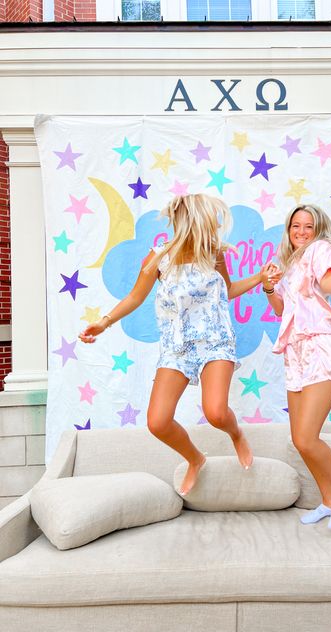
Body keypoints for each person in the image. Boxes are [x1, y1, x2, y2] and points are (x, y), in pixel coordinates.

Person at [79, 193, 272, 496]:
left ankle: (237, 436)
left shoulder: (214, 254)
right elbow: (134, 297)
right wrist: (103, 322)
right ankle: (195, 459)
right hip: (176, 347)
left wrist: (260, 277)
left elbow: (228, 290)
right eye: (207, 222)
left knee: (217, 413)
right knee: (157, 422)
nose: (212, 229)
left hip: (215, 341)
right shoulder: (159, 257)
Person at [262, 204, 331, 530]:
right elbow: (282, 310)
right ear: (288, 231)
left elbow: (328, 279)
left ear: (317, 231)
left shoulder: (320, 249)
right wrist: (269, 287)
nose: (301, 232)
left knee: (306, 438)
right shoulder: (290, 265)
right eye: (295, 227)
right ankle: (328, 501)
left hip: (319, 347)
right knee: (300, 438)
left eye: (308, 227)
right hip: (295, 353)